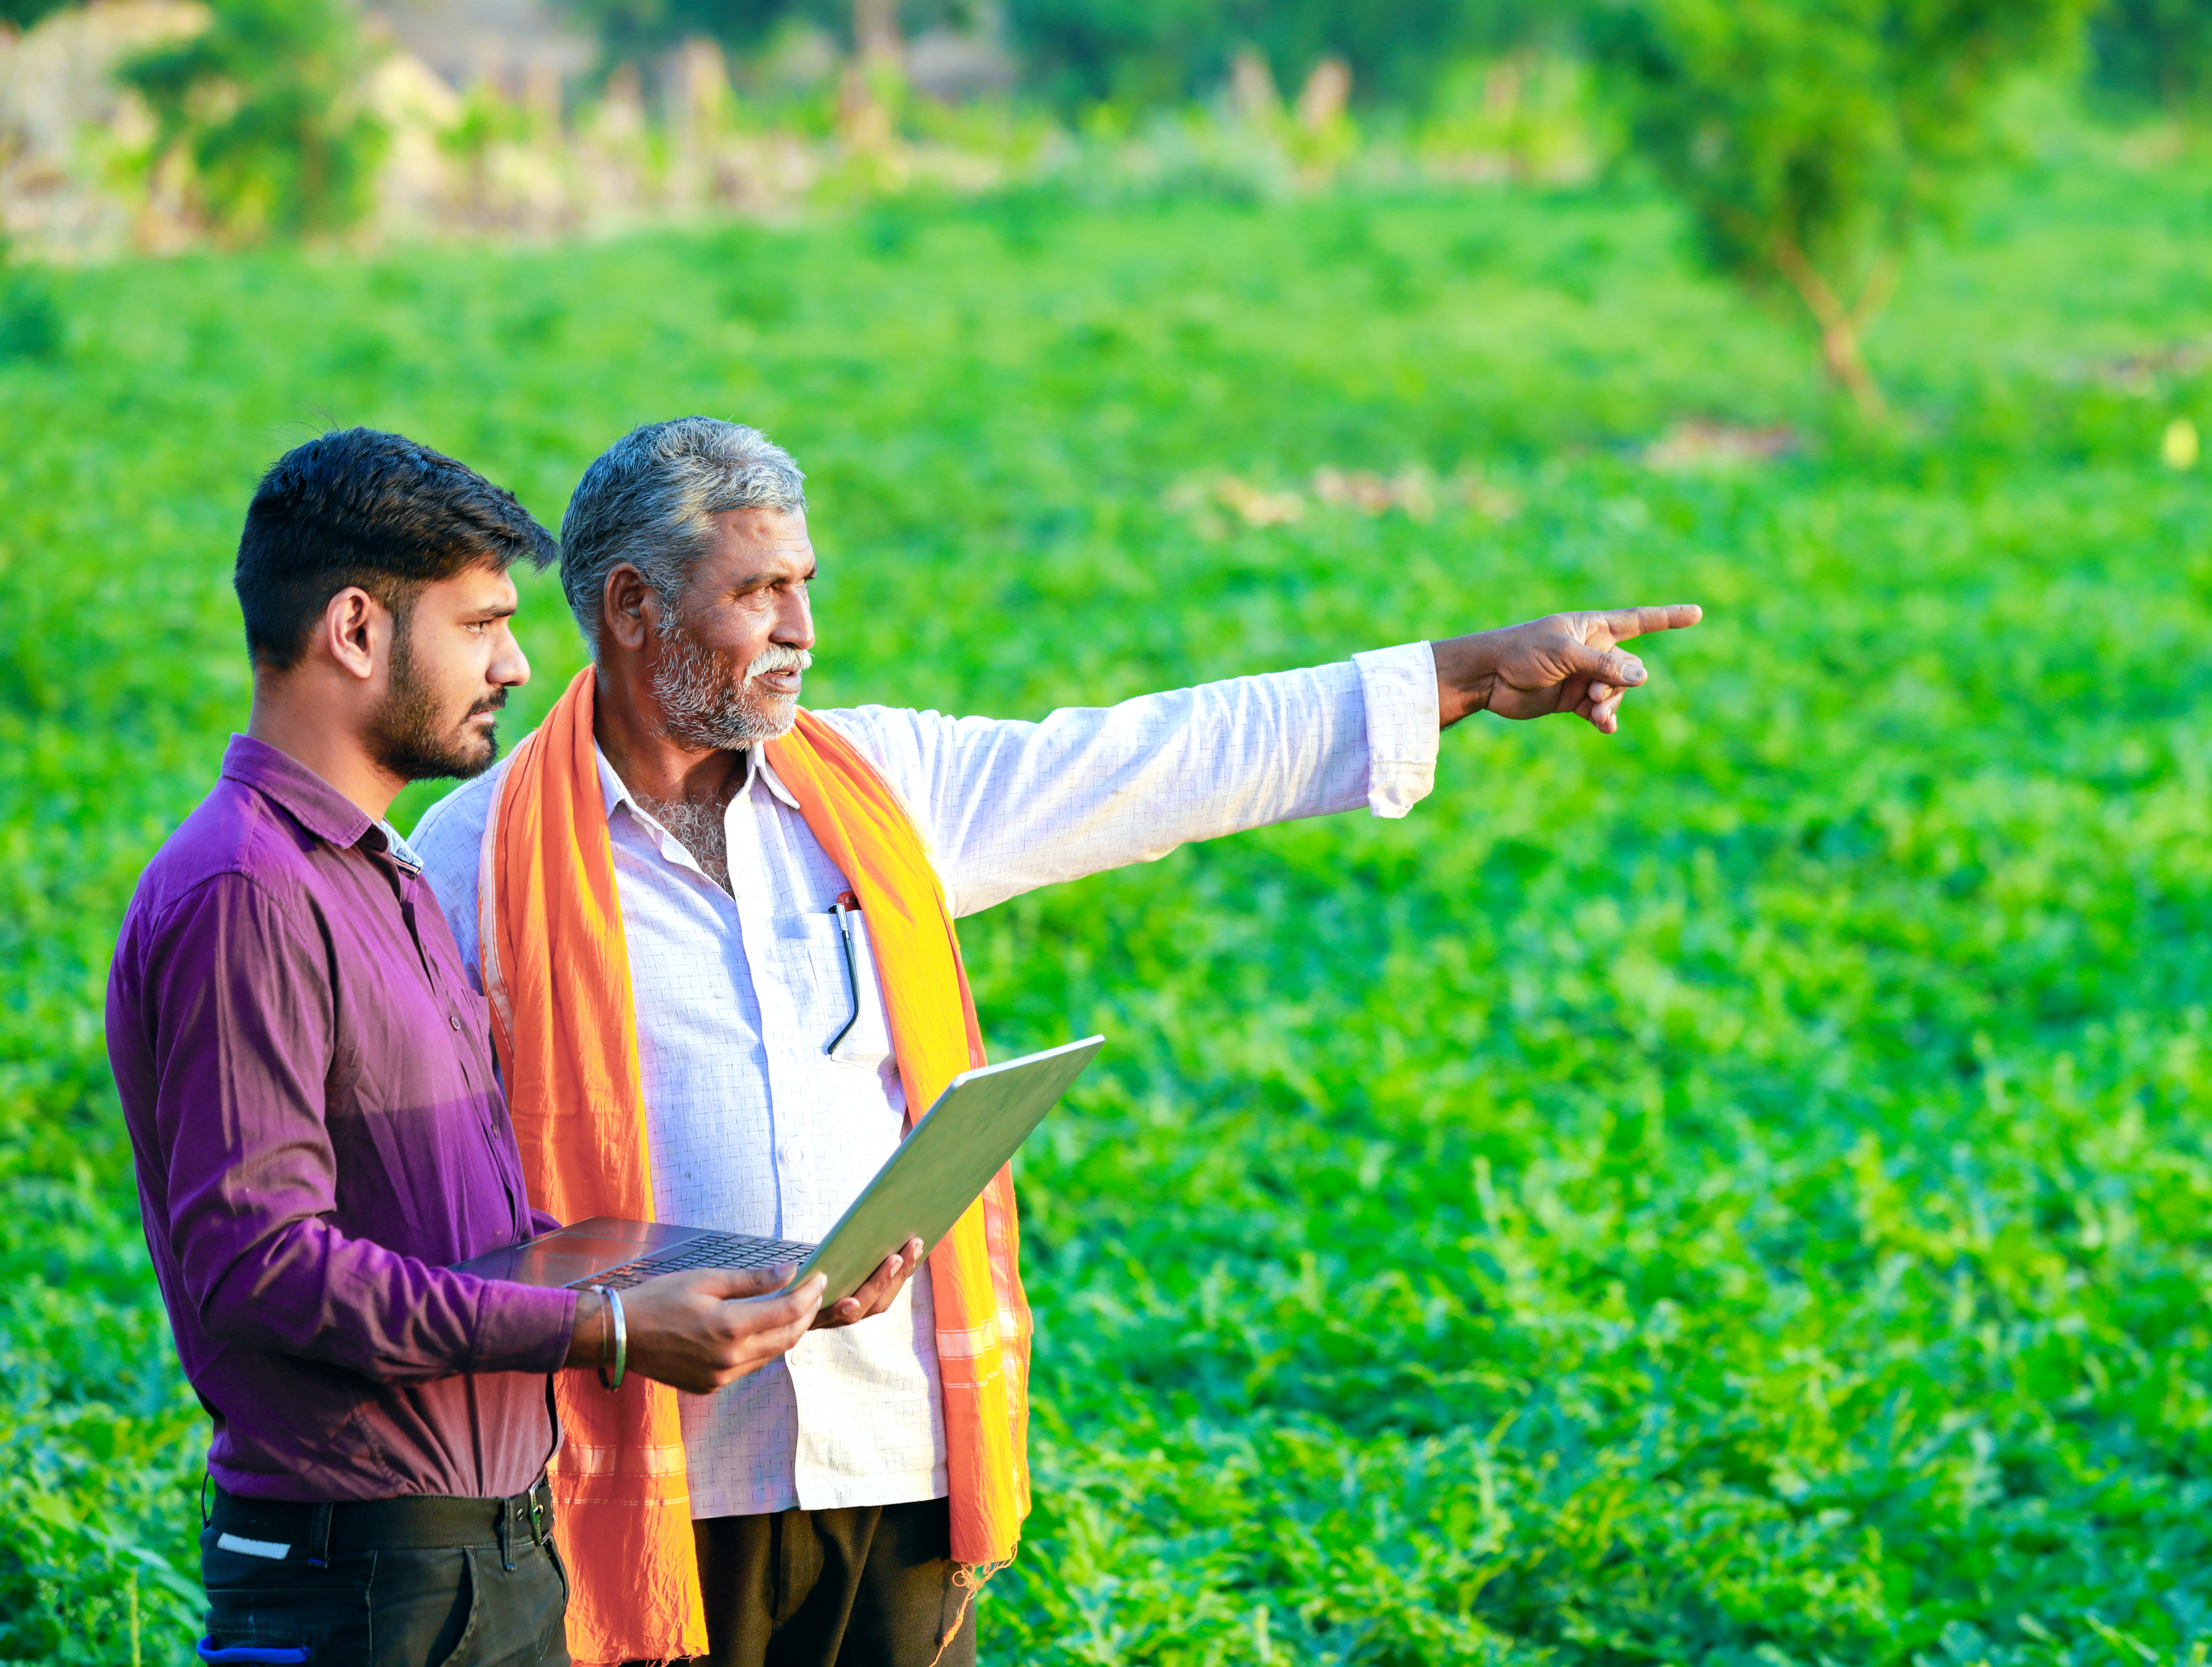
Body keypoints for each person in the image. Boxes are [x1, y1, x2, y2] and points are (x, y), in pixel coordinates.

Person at [411, 415, 1703, 1667]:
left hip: (892, 1446)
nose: (804, 632)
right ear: (634, 608)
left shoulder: (882, 786)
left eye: (805, 585)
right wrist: (624, 1306)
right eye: (759, 594)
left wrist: (1465, 670)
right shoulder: (470, 865)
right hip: (650, 1477)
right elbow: (429, 1193)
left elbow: (1156, 758)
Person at [105, 428, 914, 1667]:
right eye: (481, 626)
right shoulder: (246, 892)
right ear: (360, 632)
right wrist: (609, 1334)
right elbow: (261, 1269)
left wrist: (746, 1276)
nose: (521, 663)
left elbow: (458, 1228)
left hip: (484, 1550)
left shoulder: (389, 879)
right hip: (366, 1574)